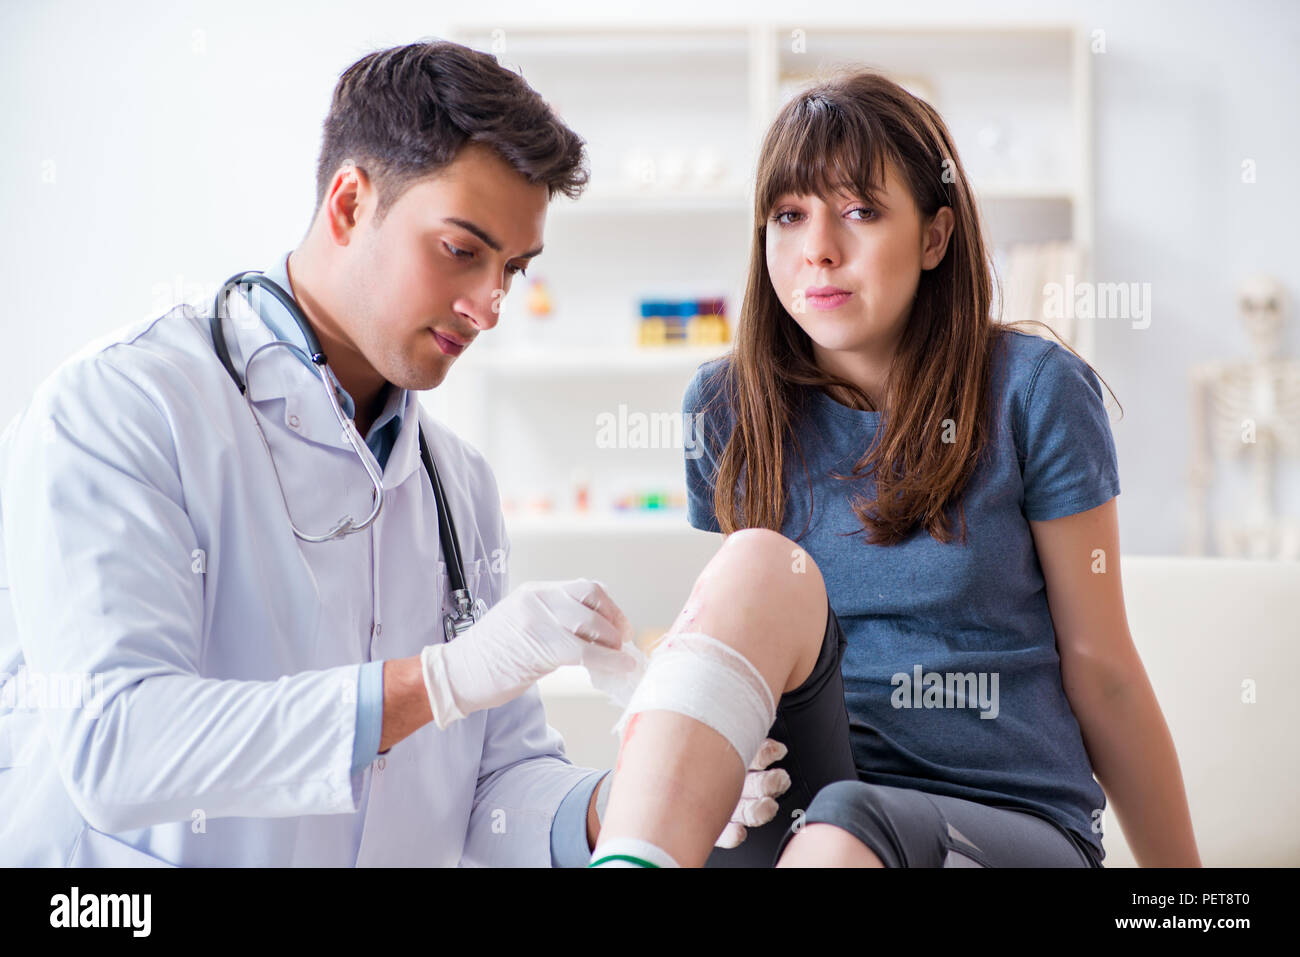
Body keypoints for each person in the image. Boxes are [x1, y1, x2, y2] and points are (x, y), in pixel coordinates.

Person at [0, 39, 642, 867]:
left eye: (513, 269)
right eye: (462, 250)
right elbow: (120, 743)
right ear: (347, 205)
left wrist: (629, 798)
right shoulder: (126, 408)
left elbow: (495, 786)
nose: (489, 306)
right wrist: (437, 681)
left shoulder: (458, 487)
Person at [587, 69, 1202, 868]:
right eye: (789, 214)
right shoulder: (726, 405)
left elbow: (1104, 667)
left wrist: (1187, 901)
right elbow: (746, 630)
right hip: (805, 807)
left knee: (845, 826)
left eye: (860, 212)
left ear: (934, 237)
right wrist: (685, 726)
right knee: (754, 574)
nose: (818, 250)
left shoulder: (1034, 389)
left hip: (1003, 819)